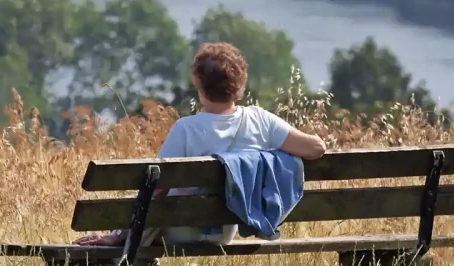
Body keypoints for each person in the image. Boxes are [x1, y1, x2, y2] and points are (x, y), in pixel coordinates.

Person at [73, 42, 327, 249]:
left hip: (180, 229)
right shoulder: (260, 121)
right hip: (227, 230)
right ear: (240, 86)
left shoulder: (187, 129)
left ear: (198, 84)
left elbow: (158, 190)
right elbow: (316, 149)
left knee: (154, 200)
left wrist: (118, 234)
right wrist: (266, 160)